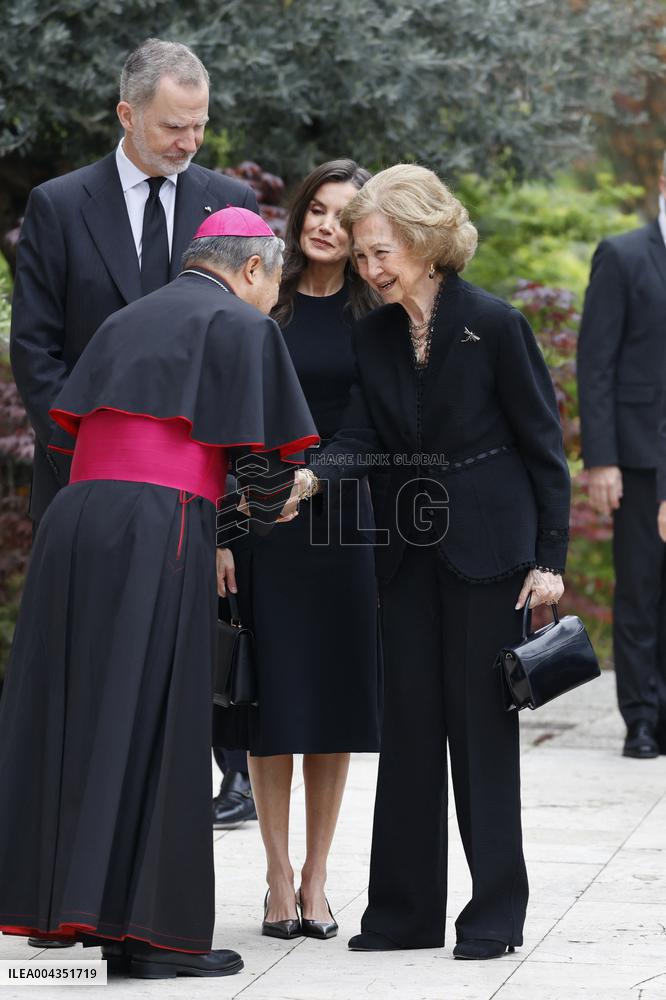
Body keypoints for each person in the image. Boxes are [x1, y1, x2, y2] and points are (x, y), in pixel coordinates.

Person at [0, 208, 318, 979]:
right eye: (275, 287)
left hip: (75, 522)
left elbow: (70, 432)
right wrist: (297, 487)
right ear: (251, 270)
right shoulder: (245, 330)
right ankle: (154, 936)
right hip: (159, 522)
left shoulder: (124, 318)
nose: (274, 304)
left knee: (77, 707)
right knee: (161, 713)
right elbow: (268, 481)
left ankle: (60, 915)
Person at [294, 164, 570, 958]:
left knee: (482, 733)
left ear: (423, 241)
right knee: (410, 730)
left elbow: (545, 451)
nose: (372, 270)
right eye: (362, 258)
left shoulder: (494, 322)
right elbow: (361, 436)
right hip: (405, 552)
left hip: (491, 551)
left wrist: (549, 560)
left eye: (381, 252)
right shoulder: (372, 332)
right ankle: (403, 916)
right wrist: (312, 476)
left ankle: (493, 917)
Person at [8, 36, 258, 857]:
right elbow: (37, 353)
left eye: (199, 126)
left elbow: (243, 356)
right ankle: (72, 876)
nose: (189, 143)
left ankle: (155, 893)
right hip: (85, 494)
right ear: (126, 114)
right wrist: (91, 461)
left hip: (193, 506)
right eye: (171, 126)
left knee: (175, 689)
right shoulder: (57, 204)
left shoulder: (224, 206)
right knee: (86, 686)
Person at [214, 160, 382, 940]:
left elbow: (370, 425)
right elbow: (225, 414)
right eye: (317, 208)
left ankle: (318, 879)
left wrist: (314, 480)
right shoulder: (262, 301)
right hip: (259, 522)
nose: (323, 224)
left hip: (342, 521)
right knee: (272, 699)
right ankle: (276, 878)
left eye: (344, 216)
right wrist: (229, 520)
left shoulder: (372, 314)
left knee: (333, 703)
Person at [578, 156, 666, 759]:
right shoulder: (624, 254)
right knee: (639, 588)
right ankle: (641, 718)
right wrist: (601, 459)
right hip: (637, 457)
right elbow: (596, 361)